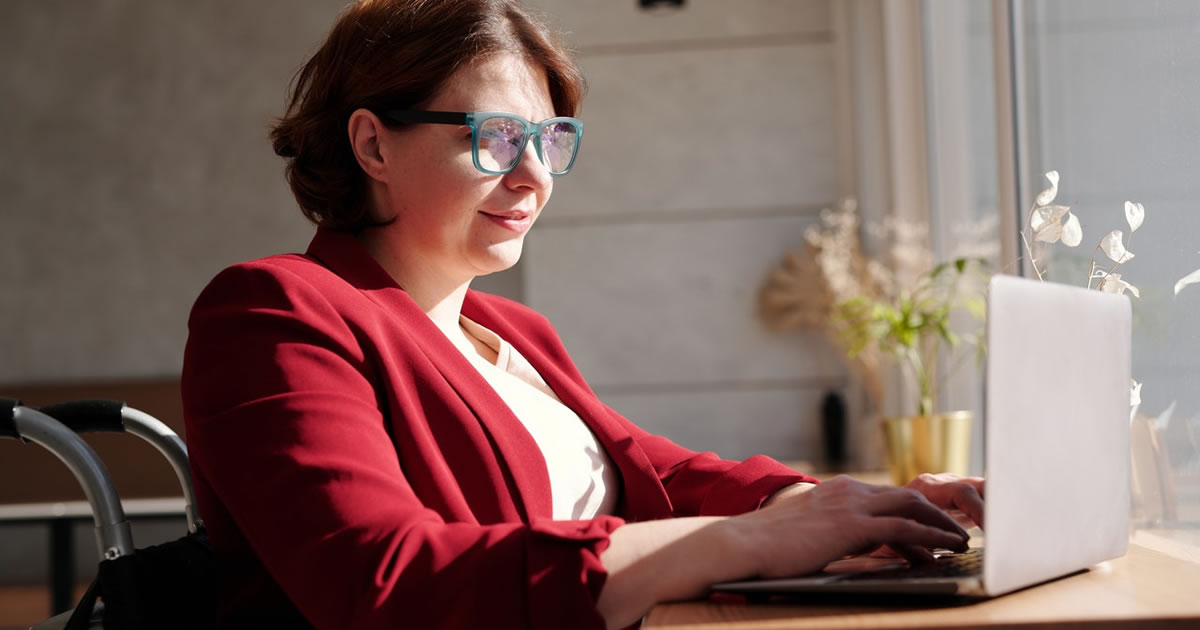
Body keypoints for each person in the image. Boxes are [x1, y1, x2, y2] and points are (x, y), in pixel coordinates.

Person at [180, 1, 986, 628]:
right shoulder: (274, 310)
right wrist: (748, 539)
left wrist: (843, 506)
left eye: (550, 139)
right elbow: (385, 583)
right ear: (373, 146)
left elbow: (661, 475)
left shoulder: (514, 333)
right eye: (498, 137)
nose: (535, 175)